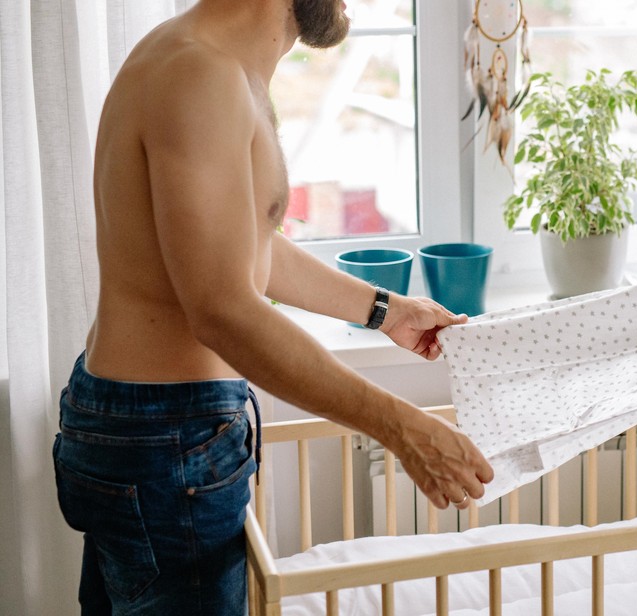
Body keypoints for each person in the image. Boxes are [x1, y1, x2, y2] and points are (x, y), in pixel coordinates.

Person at [51, 0, 495, 613]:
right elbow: (222, 307)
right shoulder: (199, 75)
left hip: (151, 431)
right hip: (166, 440)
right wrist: (404, 428)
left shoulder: (209, 63)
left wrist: (387, 309)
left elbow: (246, 249)